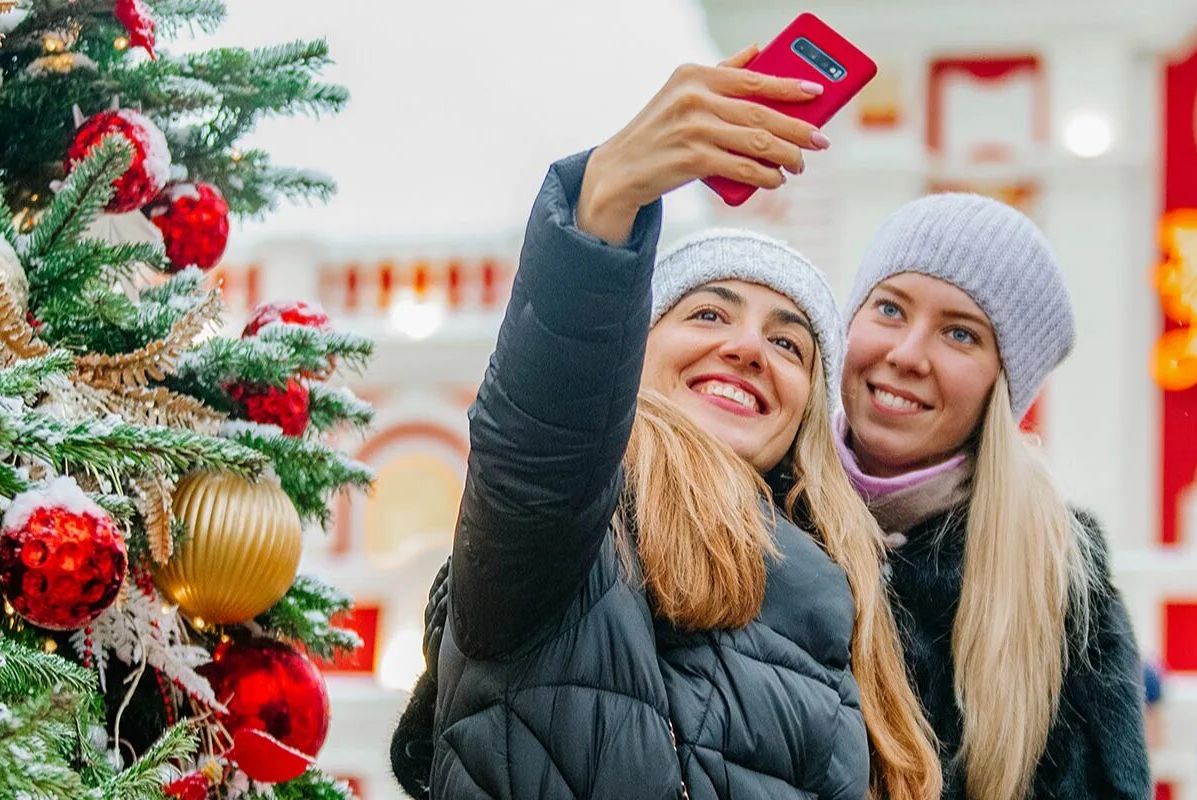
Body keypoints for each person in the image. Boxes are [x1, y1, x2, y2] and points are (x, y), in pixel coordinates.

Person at [392, 47, 940, 800]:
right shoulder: (575, 537)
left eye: (788, 343)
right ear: (630, 355)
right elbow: (539, 443)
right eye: (709, 313)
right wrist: (607, 196)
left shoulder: (839, 598)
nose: (747, 348)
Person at [835, 195, 1151, 799]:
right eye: (889, 308)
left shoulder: (1057, 575)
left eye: (960, 333)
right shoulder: (759, 513)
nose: (906, 354)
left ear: (1002, 386)